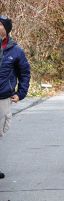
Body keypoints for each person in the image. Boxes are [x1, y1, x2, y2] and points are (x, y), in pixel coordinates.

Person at [0, 16, 31, 179]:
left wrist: (21, 93)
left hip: (3, 98)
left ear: (6, 29)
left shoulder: (15, 50)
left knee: (0, 132)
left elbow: (25, 73)